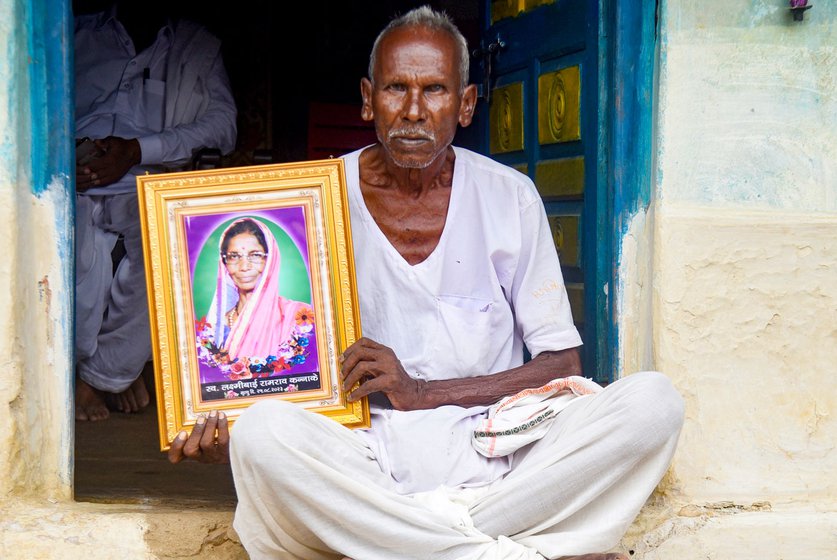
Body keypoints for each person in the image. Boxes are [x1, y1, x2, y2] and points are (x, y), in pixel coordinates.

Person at [169, 7, 684, 560]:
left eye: (435, 90)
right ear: (368, 98)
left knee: (654, 404)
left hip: (500, 449)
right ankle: (496, 549)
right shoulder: (310, 202)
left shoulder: (508, 197)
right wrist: (225, 420)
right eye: (396, 88)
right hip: (365, 456)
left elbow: (562, 365)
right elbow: (278, 372)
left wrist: (423, 393)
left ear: (465, 105)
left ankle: (405, 541)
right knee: (262, 436)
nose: (413, 112)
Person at [73, 1, 237, 421]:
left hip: (147, 175)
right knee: (59, 239)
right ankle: (78, 370)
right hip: (70, 171)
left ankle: (101, 377)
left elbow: (224, 125)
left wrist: (136, 150)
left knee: (167, 241)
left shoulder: (194, 47)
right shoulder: (78, 33)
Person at [198, 217, 314, 371]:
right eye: (234, 256)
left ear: (270, 260)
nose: (244, 266)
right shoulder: (216, 327)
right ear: (224, 264)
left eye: (255, 255)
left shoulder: (298, 316)